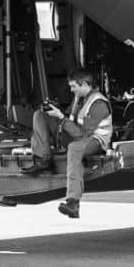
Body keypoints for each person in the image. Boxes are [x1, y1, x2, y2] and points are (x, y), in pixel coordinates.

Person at [21, 68, 112, 219]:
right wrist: (56, 110)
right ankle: (43, 160)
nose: (71, 90)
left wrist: (61, 117)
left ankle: (73, 203)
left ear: (83, 84)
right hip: (76, 134)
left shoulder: (99, 103)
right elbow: (71, 118)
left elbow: (83, 135)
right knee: (40, 115)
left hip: (94, 142)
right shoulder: (79, 97)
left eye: (73, 86)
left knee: (74, 148)